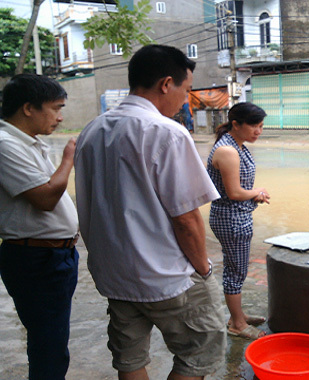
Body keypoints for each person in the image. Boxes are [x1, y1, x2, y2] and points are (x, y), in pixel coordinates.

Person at [75, 45, 226, 380]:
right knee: (199, 352)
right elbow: (186, 219)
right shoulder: (166, 133)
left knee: (130, 359)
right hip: (167, 277)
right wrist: (203, 269)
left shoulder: (91, 131)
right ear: (165, 84)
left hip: (114, 275)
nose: (185, 100)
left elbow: (90, 206)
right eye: (186, 91)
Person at [0, 74, 79, 380]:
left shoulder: (28, 143)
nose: (60, 117)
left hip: (54, 256)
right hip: (36, 259)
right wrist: (69, 158)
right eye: (55, 108)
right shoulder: (6, 145)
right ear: (29, 108)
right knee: (49, 345)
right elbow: (46, 197)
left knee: (53, 340)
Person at [207, 102, 270, 340]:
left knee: (238, 269)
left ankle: (238, 316)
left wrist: (254, 194)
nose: (258, 131)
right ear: (236, 124)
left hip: (237, 214)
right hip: (231, 217)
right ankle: (237, 325)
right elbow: (234, 192)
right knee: (236, 272)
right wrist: (256, 192)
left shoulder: (238, 145)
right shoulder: (228, 151)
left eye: (262, 126)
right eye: (254, 125)